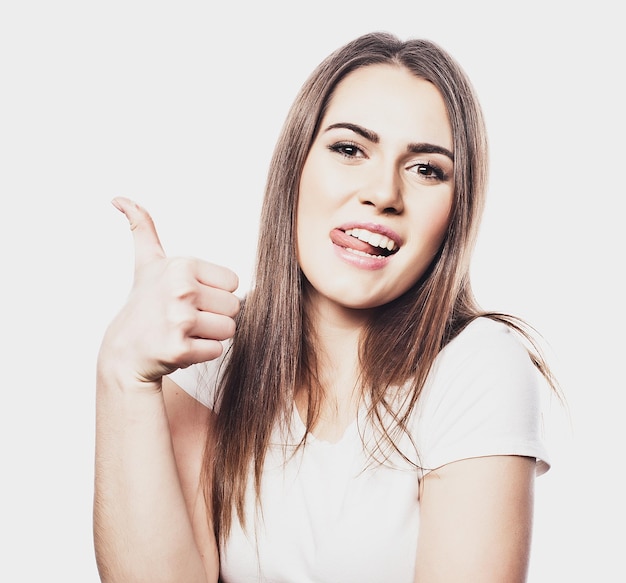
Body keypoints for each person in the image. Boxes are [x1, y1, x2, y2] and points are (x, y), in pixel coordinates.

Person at [93, 31, 560, 582]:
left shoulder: (479, 367)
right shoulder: (211, 353)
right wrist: (124, 372)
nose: (383, 192)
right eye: (349, 149)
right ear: (295, 169)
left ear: (456, 213)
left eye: (427, 169)